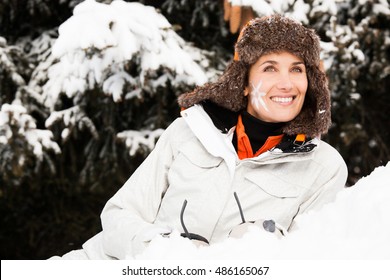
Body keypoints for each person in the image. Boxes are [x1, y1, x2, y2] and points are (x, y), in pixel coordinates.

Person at [54, 14, 348, 260]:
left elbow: (304, 260)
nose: (286, 83)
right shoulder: (190, 131)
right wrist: (168, 255)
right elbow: (120, 214)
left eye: (297, 69)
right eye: (270, 68)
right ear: (243, 82)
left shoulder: (323, 167)